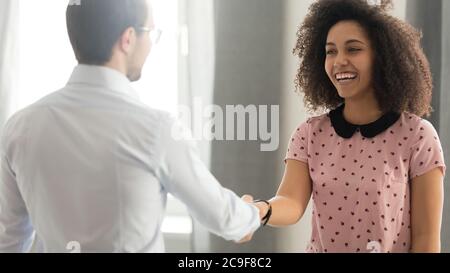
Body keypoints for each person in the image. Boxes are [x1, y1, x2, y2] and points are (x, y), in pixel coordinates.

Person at [0, 0, 262, 253]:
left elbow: (9, 242)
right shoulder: (156, 131)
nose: (150, 43)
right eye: (149, 32)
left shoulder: (20, 127)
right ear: (127, 39)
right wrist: (256, 212)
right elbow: (227, 219)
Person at [248, 0, 446, 253]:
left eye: (353, 49)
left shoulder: (418, 136)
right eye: (331, 51)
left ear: (382, 57)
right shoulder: (309, 134)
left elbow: (426, 239)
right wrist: (259, 210)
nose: (339, 61)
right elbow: (291, 202)